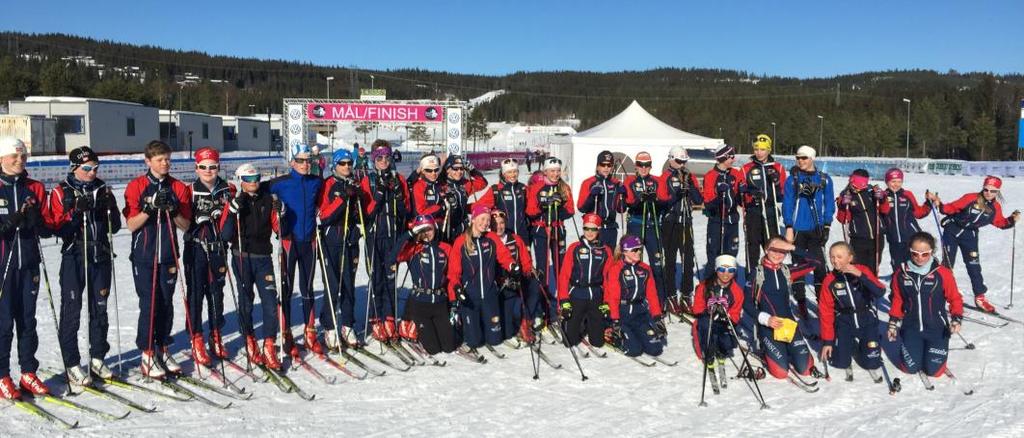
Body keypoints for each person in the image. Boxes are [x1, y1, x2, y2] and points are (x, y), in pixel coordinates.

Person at [48, 146, 121, 386]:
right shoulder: (61, 192)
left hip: (99, 253)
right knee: (72, 310)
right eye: (87, 168)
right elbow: (55, 229)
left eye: (95, 167)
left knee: (99, 308)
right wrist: (75, 214)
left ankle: (98, 358)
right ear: (75, 167)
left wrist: (108, 209)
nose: (92, 172)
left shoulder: (102, 188)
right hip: (74, 255)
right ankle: (72, 363)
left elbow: (116, 227)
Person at [123, 140, 191, 378]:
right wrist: (149, 210)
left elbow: (186, 226)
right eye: (160, 160)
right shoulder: (137, 186)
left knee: (166, 303)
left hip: (169, 254)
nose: (165, 164)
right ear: (148, 161)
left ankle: (162, 347)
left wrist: (173, 211)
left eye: (168, 159)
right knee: (149, 304)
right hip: (144, 255)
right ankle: (147, 352)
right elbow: (131, 225)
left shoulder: (179, 187)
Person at [219, 163, 283, 370]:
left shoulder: (267, 199)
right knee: (246, 301)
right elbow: (226, 235)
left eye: (256, 178)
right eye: (248, 179)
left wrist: (281, 213)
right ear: (241, 181)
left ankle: (269, 345)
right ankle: (249, 339)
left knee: (270, 302)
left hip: (263, 257)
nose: (253, 182)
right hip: (242, 257)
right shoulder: (237, 201)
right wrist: (231, 212)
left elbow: (279, 229)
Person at [0, 136, 50, 398]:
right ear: (2, 159)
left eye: (23, 156)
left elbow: (45, 230)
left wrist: (35, 220)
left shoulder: (36, 187)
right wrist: (13, 220)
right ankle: (2, 375)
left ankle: (28, 372)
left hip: (28, 263)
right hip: (3, 266)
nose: (20, 160)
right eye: (14, 156)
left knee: (28, 321)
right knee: (4, 322)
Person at [932, 176, 1019, 312]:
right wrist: (939, 204)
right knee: (947, 264)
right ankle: (945, 293)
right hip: (952, 230)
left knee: (974, 266)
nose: (989, 193)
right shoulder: (970, 198)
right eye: (986, 189)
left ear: (998, 192)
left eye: (993, 191)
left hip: (970, 236)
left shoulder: (995, 207)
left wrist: (1011, 220)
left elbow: (999, 222)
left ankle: (980, 297)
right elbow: (950, 208)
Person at [182, 147, 235, 367]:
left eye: (212, 166)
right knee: (196, 294)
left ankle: (215, 335)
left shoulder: (228, 189)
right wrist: (196, 220)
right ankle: (196, 338)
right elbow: (181, 221)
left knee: (216, 294)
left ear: (218, 167)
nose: (208, 171)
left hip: (218, 248)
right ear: (196, 168)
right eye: (203, 167)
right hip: (195, 247)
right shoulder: (189, 190)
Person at [268, 144, 323, 355]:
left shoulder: (316, 182)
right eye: (300, 160)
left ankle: (310, 333)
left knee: (307, 288)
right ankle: (286, 333)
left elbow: (322, 200)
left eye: (308, 160)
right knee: (287, 288)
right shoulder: (279, 183)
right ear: (292, 162)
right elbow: (255, 190)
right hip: (288, 241)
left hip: (309, 241)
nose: (305, 164)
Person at [888, 232, 963, 378]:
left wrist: (956, 318)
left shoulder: (942, 273)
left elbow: (955, 299)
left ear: (932, 252)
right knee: (909, 368)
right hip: (911, 328)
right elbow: (898, 299)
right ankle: (915, 348)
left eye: (925, 254)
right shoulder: (901, 273)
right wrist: (892, 322)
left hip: (937, 330)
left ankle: (932, 352)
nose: (920, 258)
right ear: (910, 251)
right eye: (915, 253)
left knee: (934, 372)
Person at [447, 205, 520, 353]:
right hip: (470, 297)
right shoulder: (461, 242)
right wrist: (456, 287)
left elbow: (504, 256)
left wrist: (512, 266)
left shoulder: (491, 238)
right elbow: (453, 272)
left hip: (489, 294)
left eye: (487, 220)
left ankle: (486, 324)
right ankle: (471, 327)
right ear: (473, 219)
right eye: (482, 219)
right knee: (474, 342)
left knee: (495, 339)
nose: (485, 223)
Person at [359, 144, 411, 344]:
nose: (383, 162)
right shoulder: (368, 180)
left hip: (392, 236)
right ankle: (376, 319)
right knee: (377, 277)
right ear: (374, 159)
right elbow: (365, 213)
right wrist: (379, 194)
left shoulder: (399, 179)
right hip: (374, 236)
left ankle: (389, 318)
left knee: (391, 278)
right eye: (379, 158)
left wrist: (397, 195)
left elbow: (406, 208)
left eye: (386, 158)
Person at [745, 237, 818, 379]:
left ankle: (788, 349)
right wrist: (765, 319)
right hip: (769, 327)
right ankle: (769, 350)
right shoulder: (756, 274)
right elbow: (746, 302)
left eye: (782, 251)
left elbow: (816, 262)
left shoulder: (787, 271)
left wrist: (793, 247)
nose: (778, 254)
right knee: (781, 373)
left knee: (806, 369)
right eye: (774, 249)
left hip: (789, 325)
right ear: (766, 250)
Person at [389, 215, 457, 356]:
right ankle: (410, 324)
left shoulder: (445, 248)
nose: (427, 233)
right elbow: (392, 257)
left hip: (439, 303)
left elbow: (452, 276)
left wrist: (453, 302)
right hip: (420, 304)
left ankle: (422, 327)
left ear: (435, 228)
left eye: (429, 228)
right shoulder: (413, 249)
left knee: (449, 346)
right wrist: (410, 234)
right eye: (422, 230)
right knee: (433, 349)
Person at [317, 149, 364, 349]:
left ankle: (347, 324)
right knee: (332, 285)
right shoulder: (328, 184)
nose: (346, 167)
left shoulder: (356, 182)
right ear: (334, 165)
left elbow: (361, 211)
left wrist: (357, 196)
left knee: (348, 285)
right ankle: (329, 326)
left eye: (349, 164)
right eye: (342, 163)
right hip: (331, 240)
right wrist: (342, 198)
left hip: (351, 240)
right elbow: (324, 216)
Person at [782, 145, 834, 317]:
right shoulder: (793, 179)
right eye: (798, 158)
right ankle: (802, 302)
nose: (800, 161)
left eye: (804, 158)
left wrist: (826, 225)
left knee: (820, 267)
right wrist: (788, 226)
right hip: (797, 230)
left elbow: (829, 204)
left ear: (812, 158)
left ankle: (822, 303)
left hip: (816, 229)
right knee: (799, 268)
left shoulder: (824, 179)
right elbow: (787, 204)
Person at [819, 242, 886, 377]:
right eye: (832, 257)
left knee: (873, 363)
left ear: (850, 258)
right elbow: (825, 311)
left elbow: (880, 291)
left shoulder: (862, 270)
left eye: (839, 257)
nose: (835, 261)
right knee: (840, 362)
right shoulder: (829, 280)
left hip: (866, 319)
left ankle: (866, 345)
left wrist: (860, 275)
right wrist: (828, 341)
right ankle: (846, 346)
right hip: (844, 322)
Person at [525, 157, 574, 333]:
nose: (555, 174)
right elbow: (530, 211)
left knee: (560, 268)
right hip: (541, 231)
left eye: (557, 170)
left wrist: (559, 206)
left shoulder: (564, 187)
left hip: (557, 229)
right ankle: (543, 309)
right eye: (551, 171)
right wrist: (543, 204)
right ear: (545, 171)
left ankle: (562, 304)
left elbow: (570, 211)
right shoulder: (537, 187)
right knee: (543, 269)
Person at [658, 146, 703, 313]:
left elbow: (699, 199)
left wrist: (690, 187)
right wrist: (676, 194)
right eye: (678, 161)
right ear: (671, 159)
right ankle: (670, 296)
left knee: (688, 261)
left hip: (686, 222)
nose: (682, 164)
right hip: (670, 223)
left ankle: (686, 295)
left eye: (684, 161)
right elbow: (662, 202)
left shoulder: (689, 176)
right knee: (669, 261)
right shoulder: (665, 177)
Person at [604, 235, 665, 357]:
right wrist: (615, 320)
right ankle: (609, 332)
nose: (639, 252)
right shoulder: (616, 269)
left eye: (640, 249)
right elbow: (613, 297)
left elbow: (652, 295)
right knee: (634, 350)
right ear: (625, 252)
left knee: (656, 349)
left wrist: (657, 317)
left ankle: (636, 335)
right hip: (623, 315)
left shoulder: (645, 269)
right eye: (635, 250)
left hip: (640, 314)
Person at [557, 213, 612, 348]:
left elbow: (608, 279)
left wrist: (607, 302)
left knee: (598, 342)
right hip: (577, 294)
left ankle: (590, 322)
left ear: (598, 230)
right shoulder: (574, 248)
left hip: (596, 295)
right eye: (586, 228)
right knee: (569, 342)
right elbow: (564, 275)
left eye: (593, 229)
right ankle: (569, 322)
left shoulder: (605, 250)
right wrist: (564, 301)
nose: (589, 232)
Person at [690, 254, 744, 389]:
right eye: (722, 270)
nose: (726, 274)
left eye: (731, 270)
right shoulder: (705, 286)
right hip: (707, 321)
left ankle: (721, 351)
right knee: (707, 333)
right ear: (716, 269)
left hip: (724, 323)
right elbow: (696, 308)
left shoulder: (737, 291)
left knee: (728, 343)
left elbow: (736, 314)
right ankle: (708, 353)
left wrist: (727, 315)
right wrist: (708, 310)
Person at [624, 151, 670, 308]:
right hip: (636, 224)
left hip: (653, 226)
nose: (644, 168)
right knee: (634, 262)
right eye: (640, 165)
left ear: (651, 166)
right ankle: (635, 299)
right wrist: (639, 200)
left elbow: (665, 202)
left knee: (657, 265)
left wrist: (655, 200)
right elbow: (628, 203)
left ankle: (660, 302)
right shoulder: (630, 181)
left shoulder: (657, 181)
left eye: (647, 165)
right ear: (636, 166)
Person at [741, 134, 786, 273]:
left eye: (762, 149)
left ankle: (774, 273)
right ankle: (752, 277)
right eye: (756, 149)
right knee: (752, 247)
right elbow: (741, 193)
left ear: (769, 150)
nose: (759, 152)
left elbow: (782, 194)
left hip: (770, 211)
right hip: (754, 212)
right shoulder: (746, 168)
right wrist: (748, 192)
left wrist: (776, 181)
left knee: (772, 246)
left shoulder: (777, 167)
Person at [490, 210, 536, 342]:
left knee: (534, 286)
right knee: (507, 332)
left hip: (516, 280)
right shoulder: (488, 240)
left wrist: (528, 272)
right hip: (499, 285)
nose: (499, 226)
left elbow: (526, 261)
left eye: (502, 223)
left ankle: (525, 321)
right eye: (495, 223)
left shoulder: (515, 239)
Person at [878, 168, 931, 273]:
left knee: (914, 262)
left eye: (899, 181)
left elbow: (918, 213)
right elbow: (881, 213)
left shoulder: (907, 195)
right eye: (893, 181)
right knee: (897, 264)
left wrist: (928, 203)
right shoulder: (882, 196)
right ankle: (898, 285)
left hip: (911, 236)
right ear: (887, 182)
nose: (896, 184)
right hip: (893, 237)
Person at [835, 169, 886, 274]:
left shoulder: (872, 192)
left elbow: (885, 210)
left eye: (863, 184)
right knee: (858, 268)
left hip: (877, 237)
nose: (859, 187)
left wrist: (882, 199)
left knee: (874, 267)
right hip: (859, 239)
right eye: (857, 183)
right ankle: (858, 288)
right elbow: (842, 219)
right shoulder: (846, 194)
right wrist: (844, 206)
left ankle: (872, 288)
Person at [702, 145, 743, 267]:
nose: (733, 159)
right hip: (717, 221)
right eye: (731, 157)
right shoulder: (710, 176)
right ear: (723, 158)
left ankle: (730, 282)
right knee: (714, 254)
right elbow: (708, 204)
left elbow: (741, 201)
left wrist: (743, 191)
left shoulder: (735, 173)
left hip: (732, 220)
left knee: (731, 255)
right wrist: (719, 196)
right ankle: (710, 283)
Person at [578, 150, 625, 249]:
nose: (606, 168)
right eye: (603, 165)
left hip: (611, 227)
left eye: (609, 165)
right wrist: (592, 195)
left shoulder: (616, 183)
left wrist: (623, 195)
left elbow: (621, 209)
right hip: (595, 228)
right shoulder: (588, 182)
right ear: (597, 166)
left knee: (610, 259)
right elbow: (581, 208)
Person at [476, 159, 529, 244]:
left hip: (522, 233)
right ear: (504, 174)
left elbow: (532, 208)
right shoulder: (496, 190)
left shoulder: (523, 188)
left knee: (525, 257)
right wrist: (464, 208)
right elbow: (479, 206)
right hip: (503, 233)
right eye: (509, 172)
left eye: (515, 171)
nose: (513, 175)